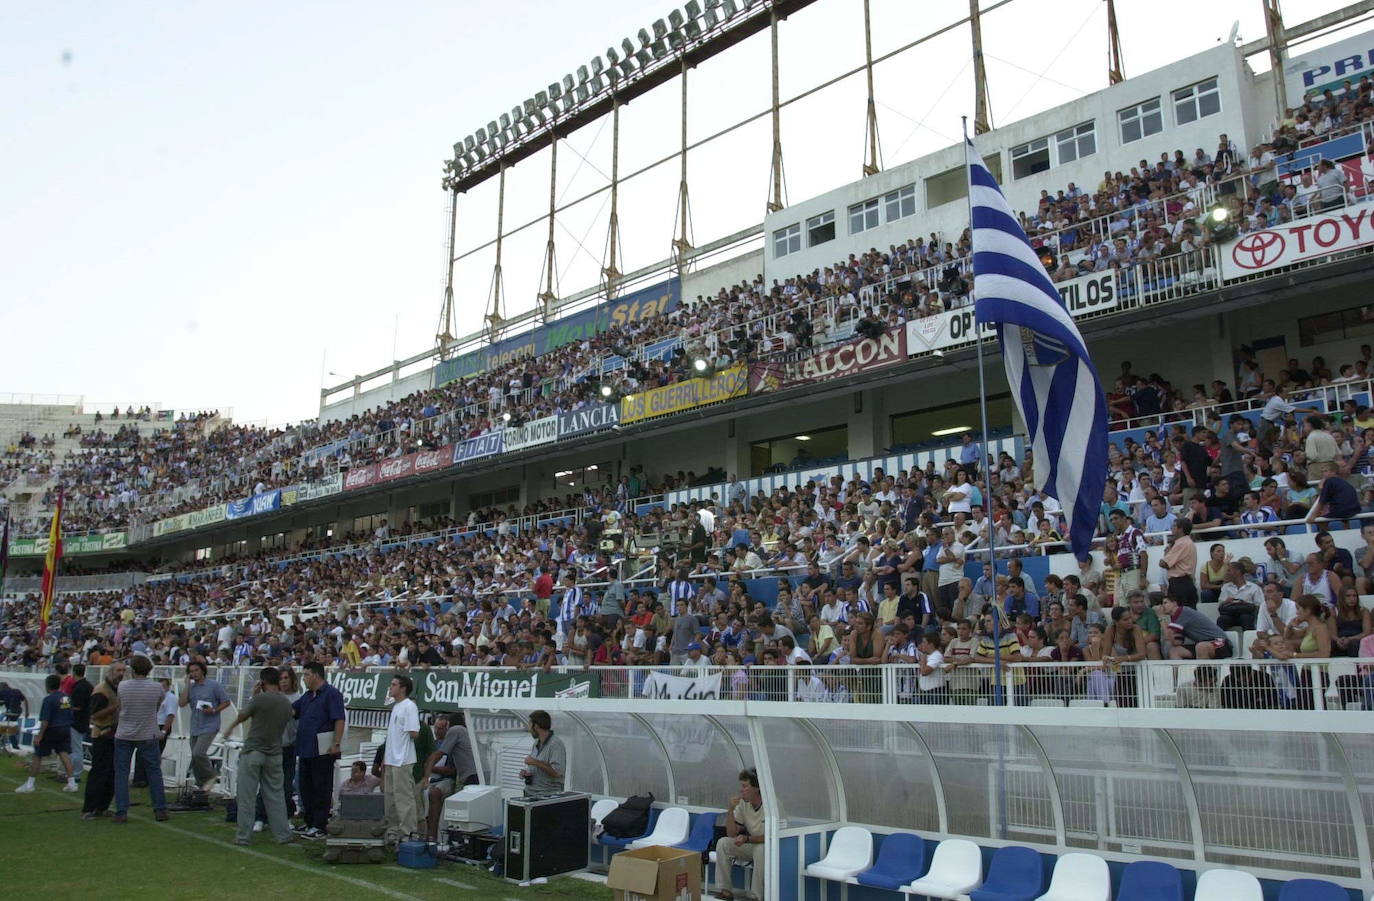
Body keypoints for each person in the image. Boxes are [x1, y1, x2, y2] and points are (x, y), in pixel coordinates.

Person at [222, 667, 294, 846]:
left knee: (246, 796)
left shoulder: (260, 699)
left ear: (262, 683)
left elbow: (243, 714)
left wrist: (230, 727)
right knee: (276, 797)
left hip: (254, 751)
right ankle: (283, 834)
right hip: (275, 753)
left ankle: (243, 836)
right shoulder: (286, 703)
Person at [113, 655, 169, 823]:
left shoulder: (123, 686)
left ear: (132, 670)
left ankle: (121, 811)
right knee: (154, 772)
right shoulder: (157, 688)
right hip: (147, 734)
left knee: (121, 774)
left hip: (124, 734)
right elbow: (156, 708)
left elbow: (120, 707)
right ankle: (160, 809)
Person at [293, 661, 346, 839]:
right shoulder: (307, 696)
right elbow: (293, 711)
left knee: (321, 787)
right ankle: (309, 822)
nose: (304, 678)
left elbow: (339, 719)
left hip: (322, 749)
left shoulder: (331, 694)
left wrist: (336, 743)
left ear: (316, 675)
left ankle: (320, 825)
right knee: (305, 786)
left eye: (306, 674)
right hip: (305, 748)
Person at [14, 674, 78, 794]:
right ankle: (72, 783)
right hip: (65, 728)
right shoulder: (65, 697)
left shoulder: (48, 700)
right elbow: (69, 712)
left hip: (52, 729)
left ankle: (30, 784)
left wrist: (40, 735)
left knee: (38, 755)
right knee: (64, 754)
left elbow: (45, 720)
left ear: (47, 686)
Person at [422, 712, 479, 840]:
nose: (440, 731)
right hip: (476, 773)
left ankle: (434, 836)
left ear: (449, 724)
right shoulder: (467, 731)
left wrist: (428, 769)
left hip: (468, 774)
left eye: (443, 727)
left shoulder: (455, 730)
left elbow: (439, 755)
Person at [714, 768, 765, 901]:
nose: (741, 790)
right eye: (741, 786)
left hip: (769, 847)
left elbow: (771, 836)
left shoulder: (772, 804)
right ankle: (726, 891)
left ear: (757, 788)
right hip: (751, 845)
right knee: (723, 843)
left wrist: (747, 838)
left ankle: (756, 896)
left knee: (761, 849)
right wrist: (730, 809)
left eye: (745, 786)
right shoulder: (743, 804)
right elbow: (731, 833)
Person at [82, 661, 125, 819]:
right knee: (99, 772)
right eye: (118, 670)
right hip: (102, 734)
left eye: (123, 670)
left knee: (112, 773)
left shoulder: (119, 688)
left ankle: (103, 806)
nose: (121, 673)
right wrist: (115, 707)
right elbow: (94, 715)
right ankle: (89, 808)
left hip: (117, 734)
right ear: (111, 672)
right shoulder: (101, 690)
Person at [382, 675, 421, 843]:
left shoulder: (409, 706)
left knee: (404, 799)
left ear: (403, 688)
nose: (390, 688)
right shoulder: (396, 706)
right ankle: (393, 831)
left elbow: (414, 732)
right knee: (389, 798)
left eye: (393, 684)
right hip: (391, 759)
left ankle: (408, 834)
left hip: (403, 759)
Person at [180, 661, 229, 793]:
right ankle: (202, 786)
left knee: (198, 753)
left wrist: (214, 710)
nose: (194, 673)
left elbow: (226, 701)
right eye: (191, 671)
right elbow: (182, 703)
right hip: (195, 725)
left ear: (202, 671)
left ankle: (212, 775)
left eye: (196, 670)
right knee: (195, 757)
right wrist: (186, 685)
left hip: (210, 725)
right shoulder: (192, 688)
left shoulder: (214, 685)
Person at [518, 710, 565, 794]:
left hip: (546, 797)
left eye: (529, 724)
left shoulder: (556, 744)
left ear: (536, 726)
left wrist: (534, 762)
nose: (529, 729)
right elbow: (537, 766)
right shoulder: (536, 742)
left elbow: (558, 773)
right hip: (531, 792)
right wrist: (527, 772)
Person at [1158, 519, 1199, 607]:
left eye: (1174, 526)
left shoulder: (1181, 544)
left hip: (1179, 584)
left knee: (1178, 614)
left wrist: (1166, 555)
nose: (1171, 528)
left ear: (1180, 529)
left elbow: (1164, 563)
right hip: (1187, 582)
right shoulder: (1189, 542)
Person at [68, 663, 93, 785]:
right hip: (84, 719)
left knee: (76, 748)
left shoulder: (78, 687)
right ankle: (74, 773)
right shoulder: (88, 686)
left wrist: (66, 706)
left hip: (76, 721)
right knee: (77, 747)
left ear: (74, 673)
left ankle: (75, 774)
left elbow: (77, 707)